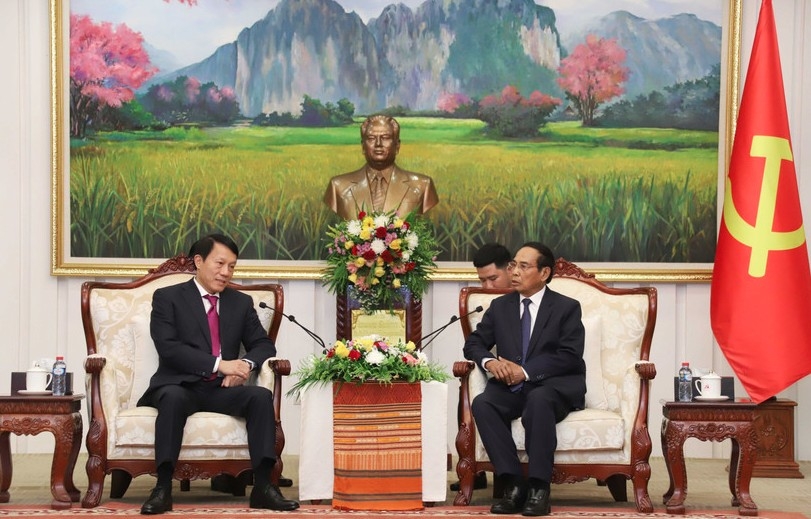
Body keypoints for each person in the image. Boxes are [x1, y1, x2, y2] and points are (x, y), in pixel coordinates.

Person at [136, 234, 299, 515]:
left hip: (220, 390)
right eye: (220, 263)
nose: (226, 272)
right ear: (198, 261)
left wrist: (245, 365)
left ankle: (263, 486)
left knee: (260, 397)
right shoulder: (168, 298)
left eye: (232, 266)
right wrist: (220, 365)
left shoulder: (239, 302)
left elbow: (263, 344)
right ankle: (162, 487)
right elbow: (169, 348)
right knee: (173, 398)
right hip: (180, 384)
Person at [463, 243, 586, 516]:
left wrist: (526, 371)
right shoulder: (500, 306)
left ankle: (539, 489)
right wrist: (491, 362)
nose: (515, 272)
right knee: (484, 403)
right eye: (513, 265)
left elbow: (570, 356)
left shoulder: (566, 308)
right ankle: (513, 485)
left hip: (552, 385)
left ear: (544, 273)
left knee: (539, 400)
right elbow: (474, 344)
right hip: (513, 387)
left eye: (523, 266)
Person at [451, 242, 514, 493]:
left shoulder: (535, 296)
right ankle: (474, 470)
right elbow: (475, 344)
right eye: (482, 280)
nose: (487, 287)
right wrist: (490, 363)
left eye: (492, 279)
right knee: (466, 393)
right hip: (494, 374)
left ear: (510, 269)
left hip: (534, 376)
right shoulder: (486, 303)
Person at [323, 114, 439, 219]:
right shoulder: (338, 186)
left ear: (397, 145)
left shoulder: (423, 186)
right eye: (371, 138)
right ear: (363, 146)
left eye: (385, 137)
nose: (378, 144)